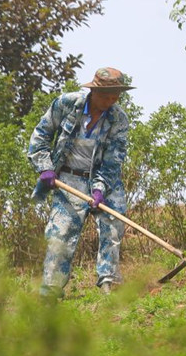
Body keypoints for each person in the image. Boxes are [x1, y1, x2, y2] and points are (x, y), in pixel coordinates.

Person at [28, 67, 133, 297]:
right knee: (60, 232)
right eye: (107, 95)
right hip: (68, 177)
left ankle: (109, 281)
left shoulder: (119, 119)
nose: (112, 100)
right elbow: (41, 135)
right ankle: (51, 289)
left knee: (113, 223)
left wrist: (99, 189)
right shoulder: (66, 104)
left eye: (116, 95)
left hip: (103, 179)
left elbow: (113, 161)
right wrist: (45, 167)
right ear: (93, 91)